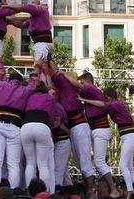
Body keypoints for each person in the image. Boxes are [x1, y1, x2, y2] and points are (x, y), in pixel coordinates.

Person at [0, 62, 37, 197]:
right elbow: (34, 82)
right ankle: (14, 193)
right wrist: (37, 68)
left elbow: (0, 75)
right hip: (14, 127)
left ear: (10, 80)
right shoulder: (25, 89)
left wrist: (0, 62)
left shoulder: (1, 85)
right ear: (21, 82)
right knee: (14, 164)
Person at [79, 87, 134, 193]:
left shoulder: (117, 104)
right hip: (126, 136)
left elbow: (101, 104)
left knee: (123, 164)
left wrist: (85, 100)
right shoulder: (113, 106)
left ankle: (130, 191)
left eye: (105, 98)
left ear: (108, 97)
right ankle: (131, 188)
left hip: (129, 136)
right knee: (129, 166)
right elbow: (97, 106)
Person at [49, 63, 95, 196]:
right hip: (74, 128)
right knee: (80, 163)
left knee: (84, 161)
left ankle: (90, 191)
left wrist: (50, 61)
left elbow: (54, 73)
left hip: (80, 126)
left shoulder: (69, 87)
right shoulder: (64, 92)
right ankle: (86, 190)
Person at [75, 74, 117, 197]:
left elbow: (79, 87)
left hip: (100, 129)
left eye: (82, 82)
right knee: (96, 162)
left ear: (87, 82)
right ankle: (105, 189)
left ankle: (114, 189)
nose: (81, 85)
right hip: (96, 129)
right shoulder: (91, 96)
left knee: (99, 162)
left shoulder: (92, 89)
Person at [20, 81, 57, 194]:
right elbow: (51, 117)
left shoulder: (29, 97)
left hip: (26, 126)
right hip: (42, 126)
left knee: (30, 163)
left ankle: (29, 191)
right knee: (43, 165)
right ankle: (44, 193)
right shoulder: (50, 98)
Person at [18, 0, 53, 84]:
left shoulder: (40, 10)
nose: (32, 1)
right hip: (43, 43)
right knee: (44, 66)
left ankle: (40, 86)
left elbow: (24, 7)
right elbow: (21, 24)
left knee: (39, 67)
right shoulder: (34, 18)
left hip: (41, 43)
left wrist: (8, 10)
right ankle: (44, 85)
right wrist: (9, 20)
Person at [51, 98, 72, 189]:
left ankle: (57, 190)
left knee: (58, 169)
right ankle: (70, 190)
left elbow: (58, 123)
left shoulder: (57, 106)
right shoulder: (54, 105)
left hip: (62, 141)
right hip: (59, 142)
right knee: (63, 170)